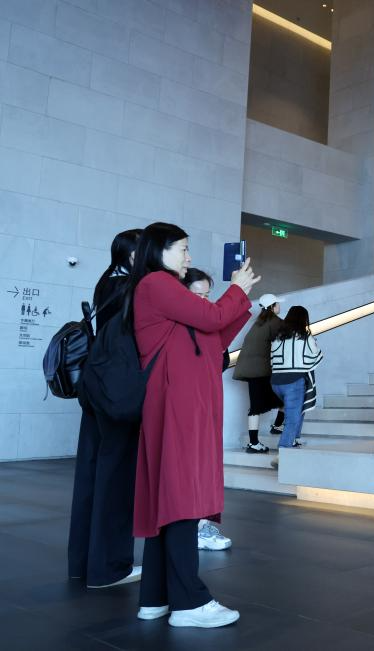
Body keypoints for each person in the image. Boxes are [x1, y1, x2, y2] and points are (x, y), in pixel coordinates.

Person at [125, 222, 259, 627]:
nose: (188, 256)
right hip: (176, 408)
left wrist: (238, 300)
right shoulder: (156, 283)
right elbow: (212, 316)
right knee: (181, 498)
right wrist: (235, 290)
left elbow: (213, 336)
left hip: (180, 406)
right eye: (182, 248)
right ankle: (188, 603)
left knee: (171, 499)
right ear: (159, 250)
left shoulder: (161, 291)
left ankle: (156, 597)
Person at [68, 228, 144, 589]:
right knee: (116, 478)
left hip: (96, 387)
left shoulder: (107, 282)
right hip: (118, 393)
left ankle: (84, 565)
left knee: (93, 476)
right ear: (133, 255)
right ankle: (110, 567)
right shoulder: (131, 287)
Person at [181, 268, 234, 553]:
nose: (205, 301)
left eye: (207, 295)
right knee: (191, 468)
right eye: (198, 295)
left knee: (204, 467)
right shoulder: (178, 326)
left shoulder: (207, 325)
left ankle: (200, 525)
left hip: (205, 405)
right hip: (185, 407)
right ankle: (194, 527)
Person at [233, 294, 287, 454]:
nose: (279, 306)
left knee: (256, 406)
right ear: (273, 306)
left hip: (251, 370)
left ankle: (255, 441)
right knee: (287, 397)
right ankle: (273, 428)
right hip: (261, 370)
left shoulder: (258, 323)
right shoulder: (276, 322)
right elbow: (285, 342)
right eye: (277, 304)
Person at [270, 306, 323, 456]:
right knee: (292, 417)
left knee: (299, 408)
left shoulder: (278, 337)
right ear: (304, 319)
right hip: (293, 381)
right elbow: (316, 356)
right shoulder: (305, 337)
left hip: (276, 382)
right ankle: (284, 451)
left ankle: (294, 439)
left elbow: (272, 360)